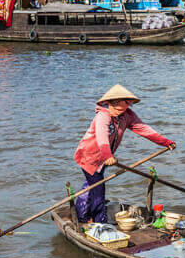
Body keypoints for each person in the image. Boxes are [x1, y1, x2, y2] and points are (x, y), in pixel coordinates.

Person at [73, 85, 175, 224]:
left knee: (91, 184)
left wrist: (165, 142)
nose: (119, 111)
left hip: (104, 159)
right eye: (117, 108)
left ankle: (82, 214)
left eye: (124, 107)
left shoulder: (127, 115)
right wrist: (107, 155)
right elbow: (102, 137)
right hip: (89, 156)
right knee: (98, 189)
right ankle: (98, 222)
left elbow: (143, 129)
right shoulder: (102, 116)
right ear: (110, 103)